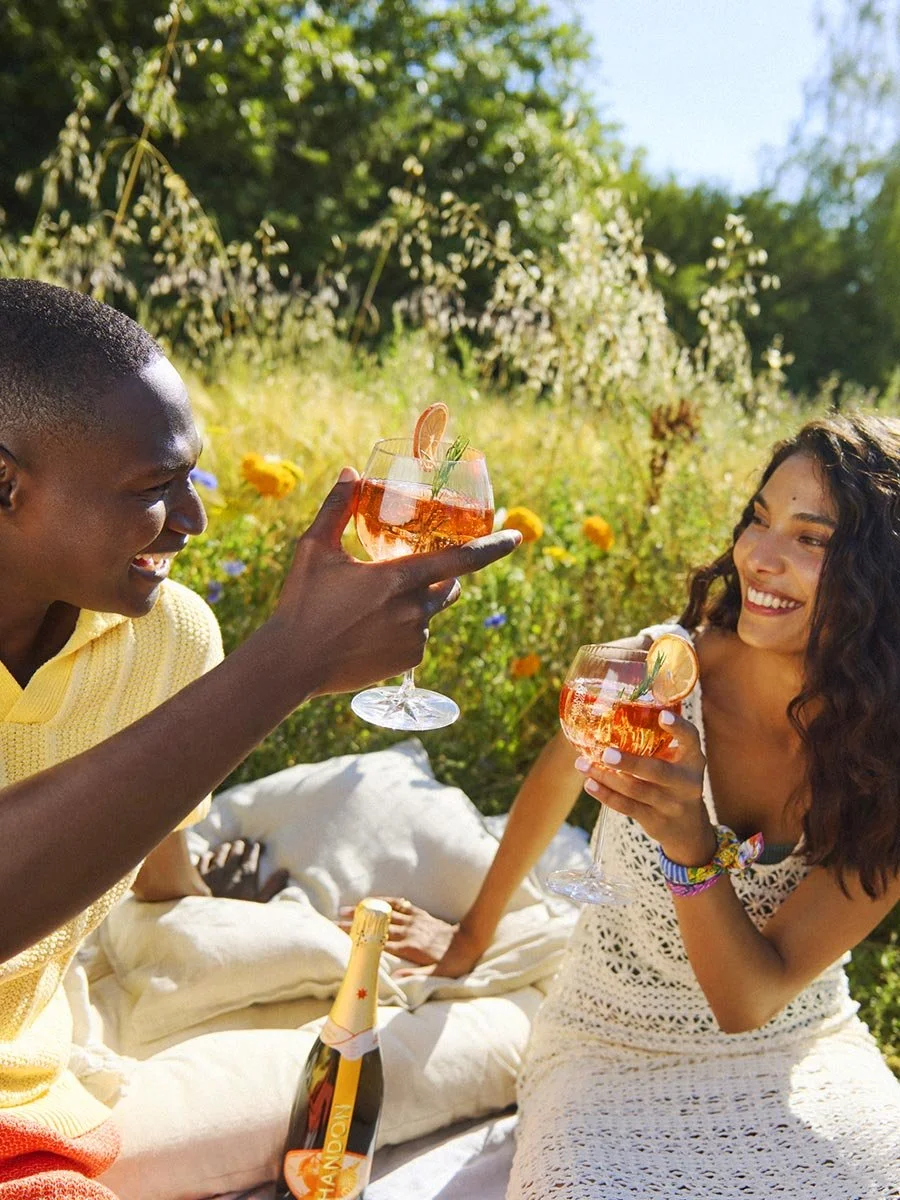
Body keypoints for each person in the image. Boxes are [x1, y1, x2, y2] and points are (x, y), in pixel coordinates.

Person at [0, 277, 520, 1198]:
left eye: (190, 479)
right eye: (155, 489)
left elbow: (144, 834)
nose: (194, 521)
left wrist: (213, 912)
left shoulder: (167, 635)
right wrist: (287, 662)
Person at [386, 413, 900, 1198]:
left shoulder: (888, 772)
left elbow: (750, 999)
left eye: (811, 539)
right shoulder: (659, 674)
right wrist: (470, 938)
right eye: (759, 520)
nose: (759, 557)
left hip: (799, 1052)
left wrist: (689, 843)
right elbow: (556, 780)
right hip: (607, 1044)